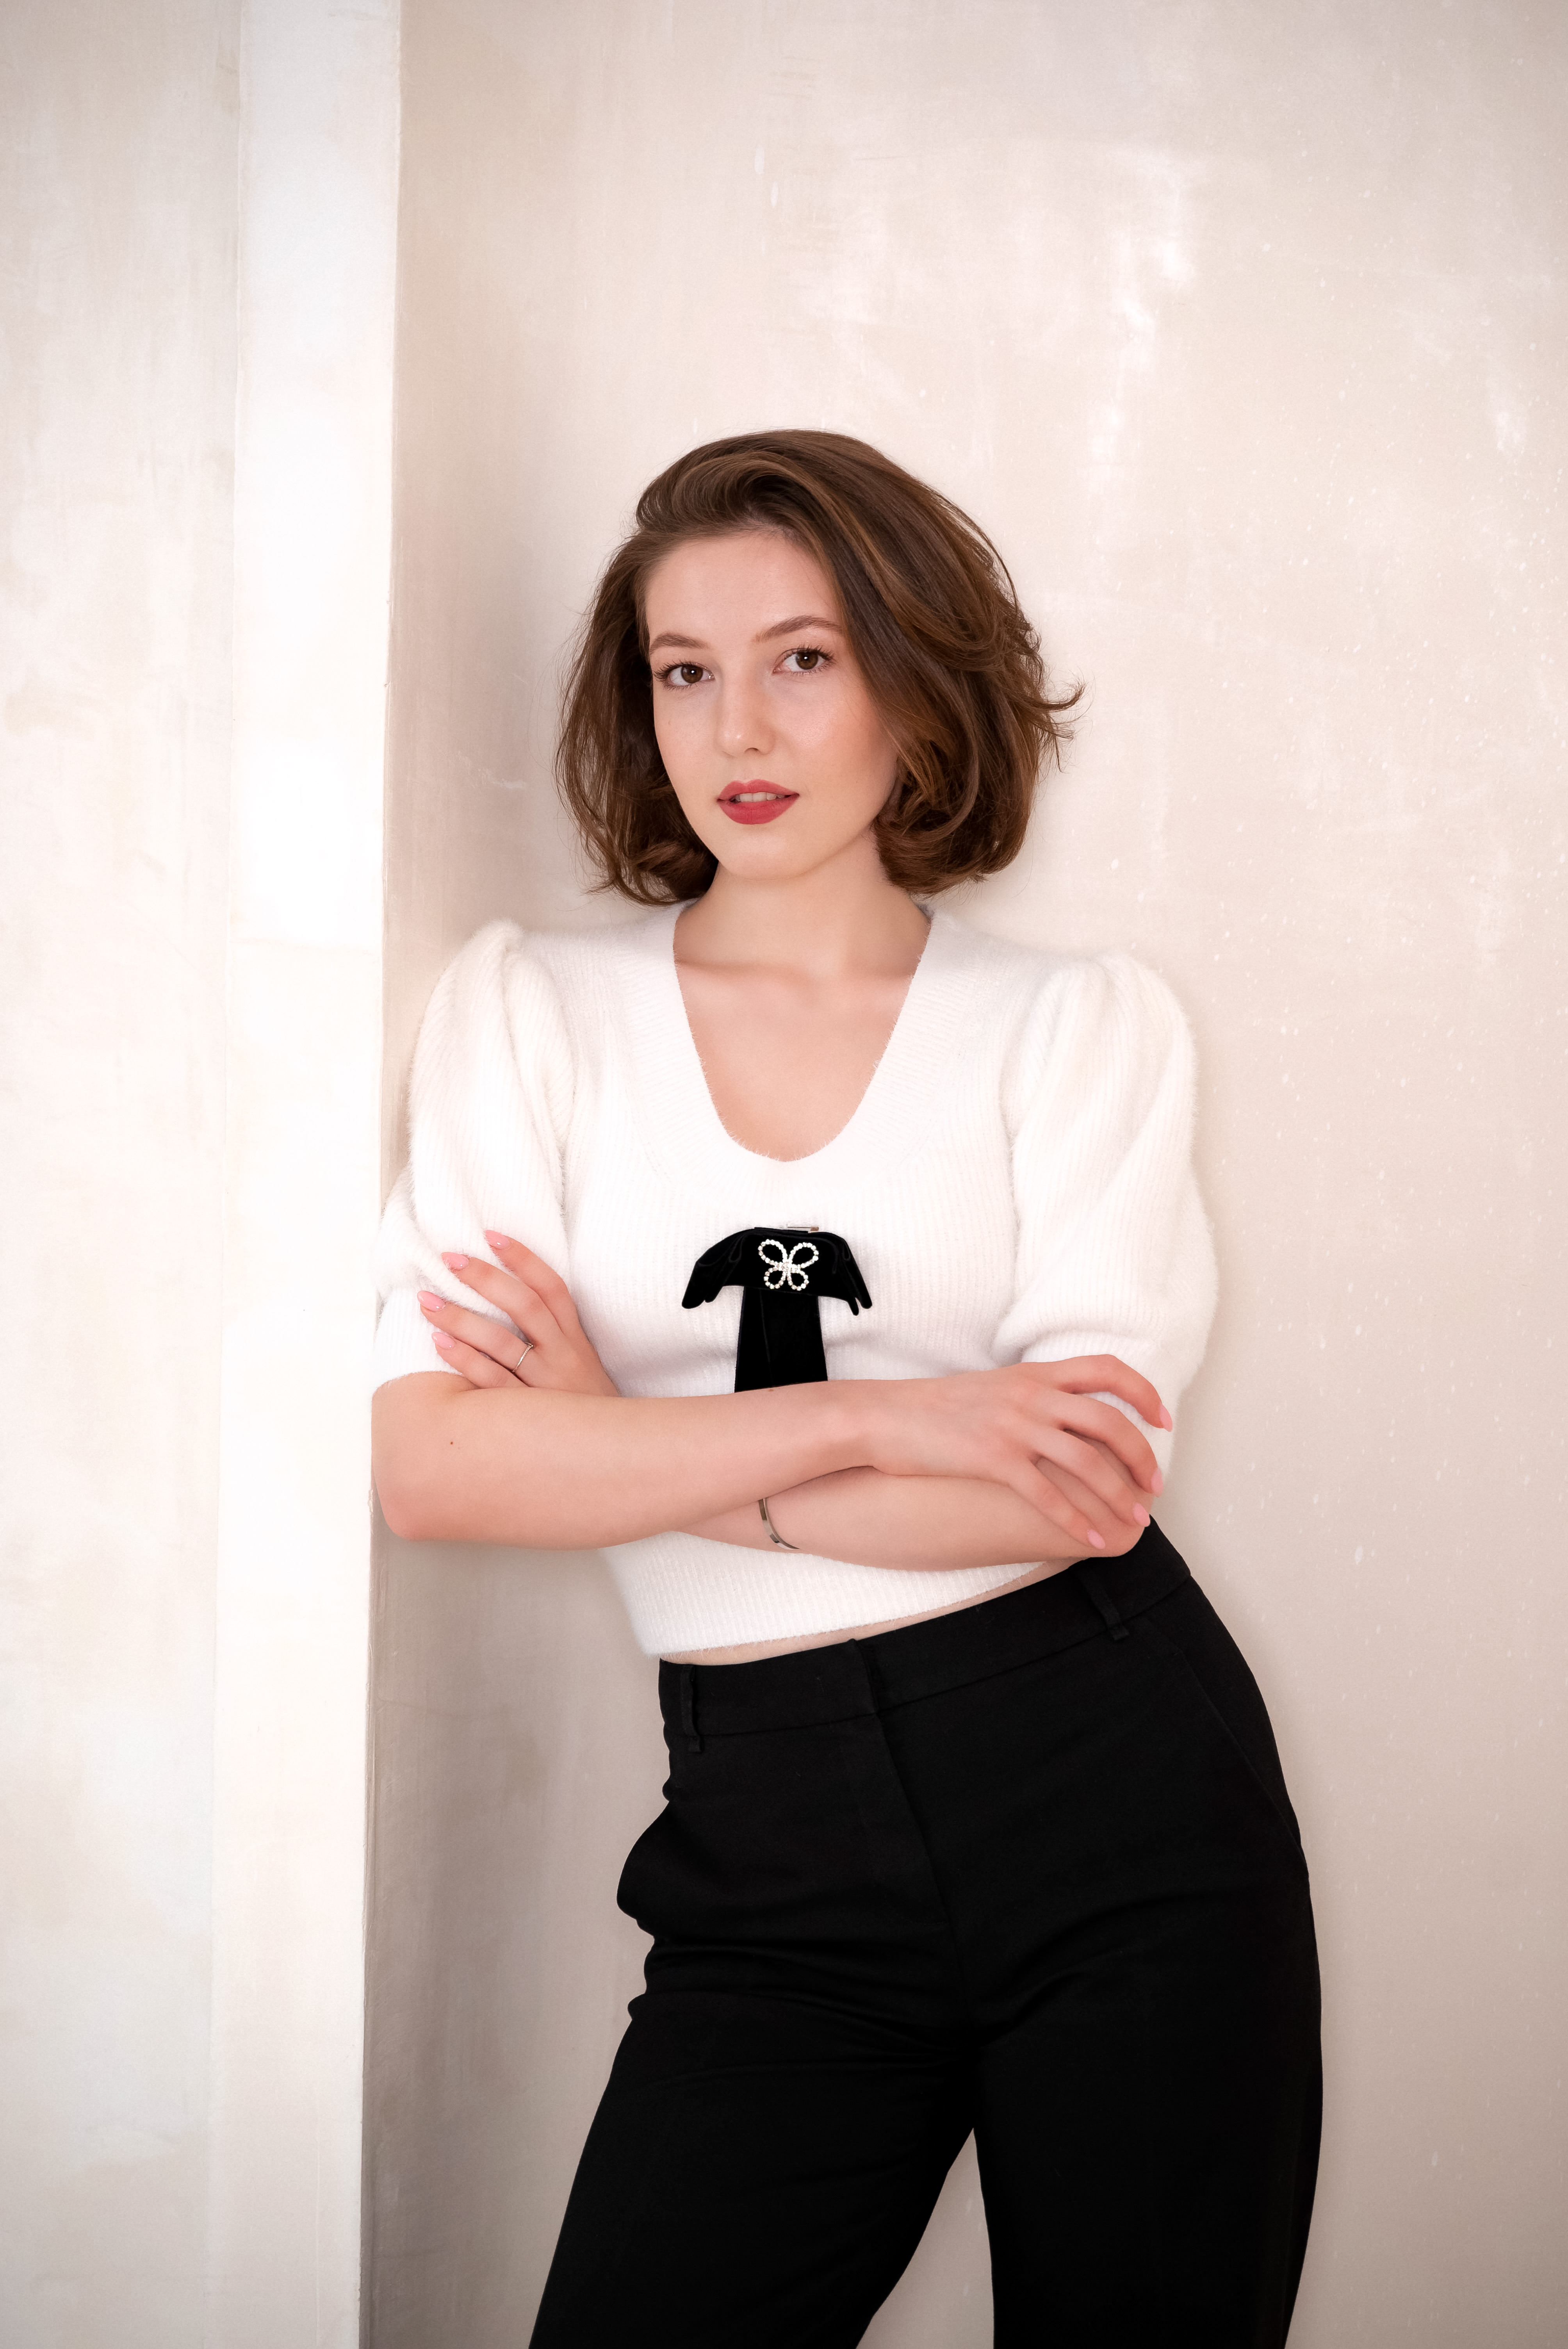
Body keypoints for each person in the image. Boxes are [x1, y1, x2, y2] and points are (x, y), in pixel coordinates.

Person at [370, 430, 1321, 2347]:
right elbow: (437, 1469)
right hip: (765, 1848)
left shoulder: (1069, 1028)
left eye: (802, 658)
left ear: (912, 679)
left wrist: (627, 1441)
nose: (737, 723)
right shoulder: (529, 1014)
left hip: (1118, 1800)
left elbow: (1072, 1493)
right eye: (683, 667)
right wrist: (886, 1414)